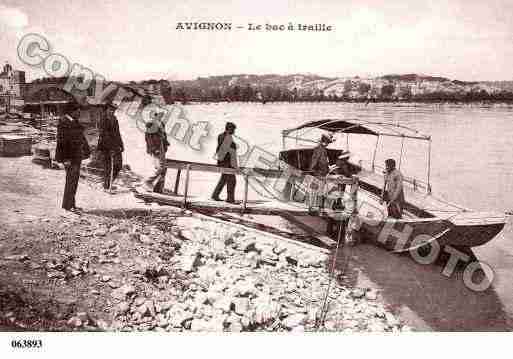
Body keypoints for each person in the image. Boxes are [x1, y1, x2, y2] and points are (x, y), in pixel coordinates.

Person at [54, 105, 90, 212]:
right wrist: (65, 159)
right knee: (71, 181)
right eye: (78, 111)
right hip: (69, 158)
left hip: (76, 156)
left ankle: (71, 204)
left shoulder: (74, 122)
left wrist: (86, 152)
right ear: (71, 111)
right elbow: (62, 143)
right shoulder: (64, 123)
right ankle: (68, 205)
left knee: (74, 181)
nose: (79, 114)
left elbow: (81, 138)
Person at [97, 102, 124, 192]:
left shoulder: (114, 119)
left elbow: (117, 133)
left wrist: (121, 145)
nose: (112, 111)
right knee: (107, 166)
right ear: (107, 109)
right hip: (105, 146)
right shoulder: (103, 120)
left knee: (118, 165)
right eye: (110, 109)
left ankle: (108, 183)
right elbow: (104, 135)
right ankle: (106, 185)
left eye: (114, 110)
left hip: (115, 146)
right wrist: (111, 148)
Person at [212, 122, 238, 203]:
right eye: (233, 129)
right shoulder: (226, 137)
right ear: (229, 128)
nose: (234, 131)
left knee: (224, 179)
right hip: (227, 163)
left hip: (224, 162)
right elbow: (226, 151)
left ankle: (215, 195)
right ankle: (230, 199)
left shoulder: (223, 136)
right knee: (232, 180)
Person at [143, 112, 170, 193]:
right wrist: (154, 149)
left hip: (161, 146)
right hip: (156, 148)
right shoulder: (151, 124)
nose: (160, 116)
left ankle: (158, 189)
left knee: (162, 168)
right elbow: (148, 139)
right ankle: (147, 181)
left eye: (161, 115)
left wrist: (165, 145)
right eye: (158, 115)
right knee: (160, 167)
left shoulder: (161, 124)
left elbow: (163, 136)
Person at [308, 134, 332, 209]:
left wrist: (327, 169)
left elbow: (322, 162)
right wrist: (313, 171)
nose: (327, 144)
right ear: (324, 141)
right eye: (327, 142)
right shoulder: (319, 149)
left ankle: (314, 207)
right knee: (315, 191)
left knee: (317, 191)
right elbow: (316, 161)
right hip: (318, 174)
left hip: (320, 174)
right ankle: (313, 207)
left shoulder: (322, 149)